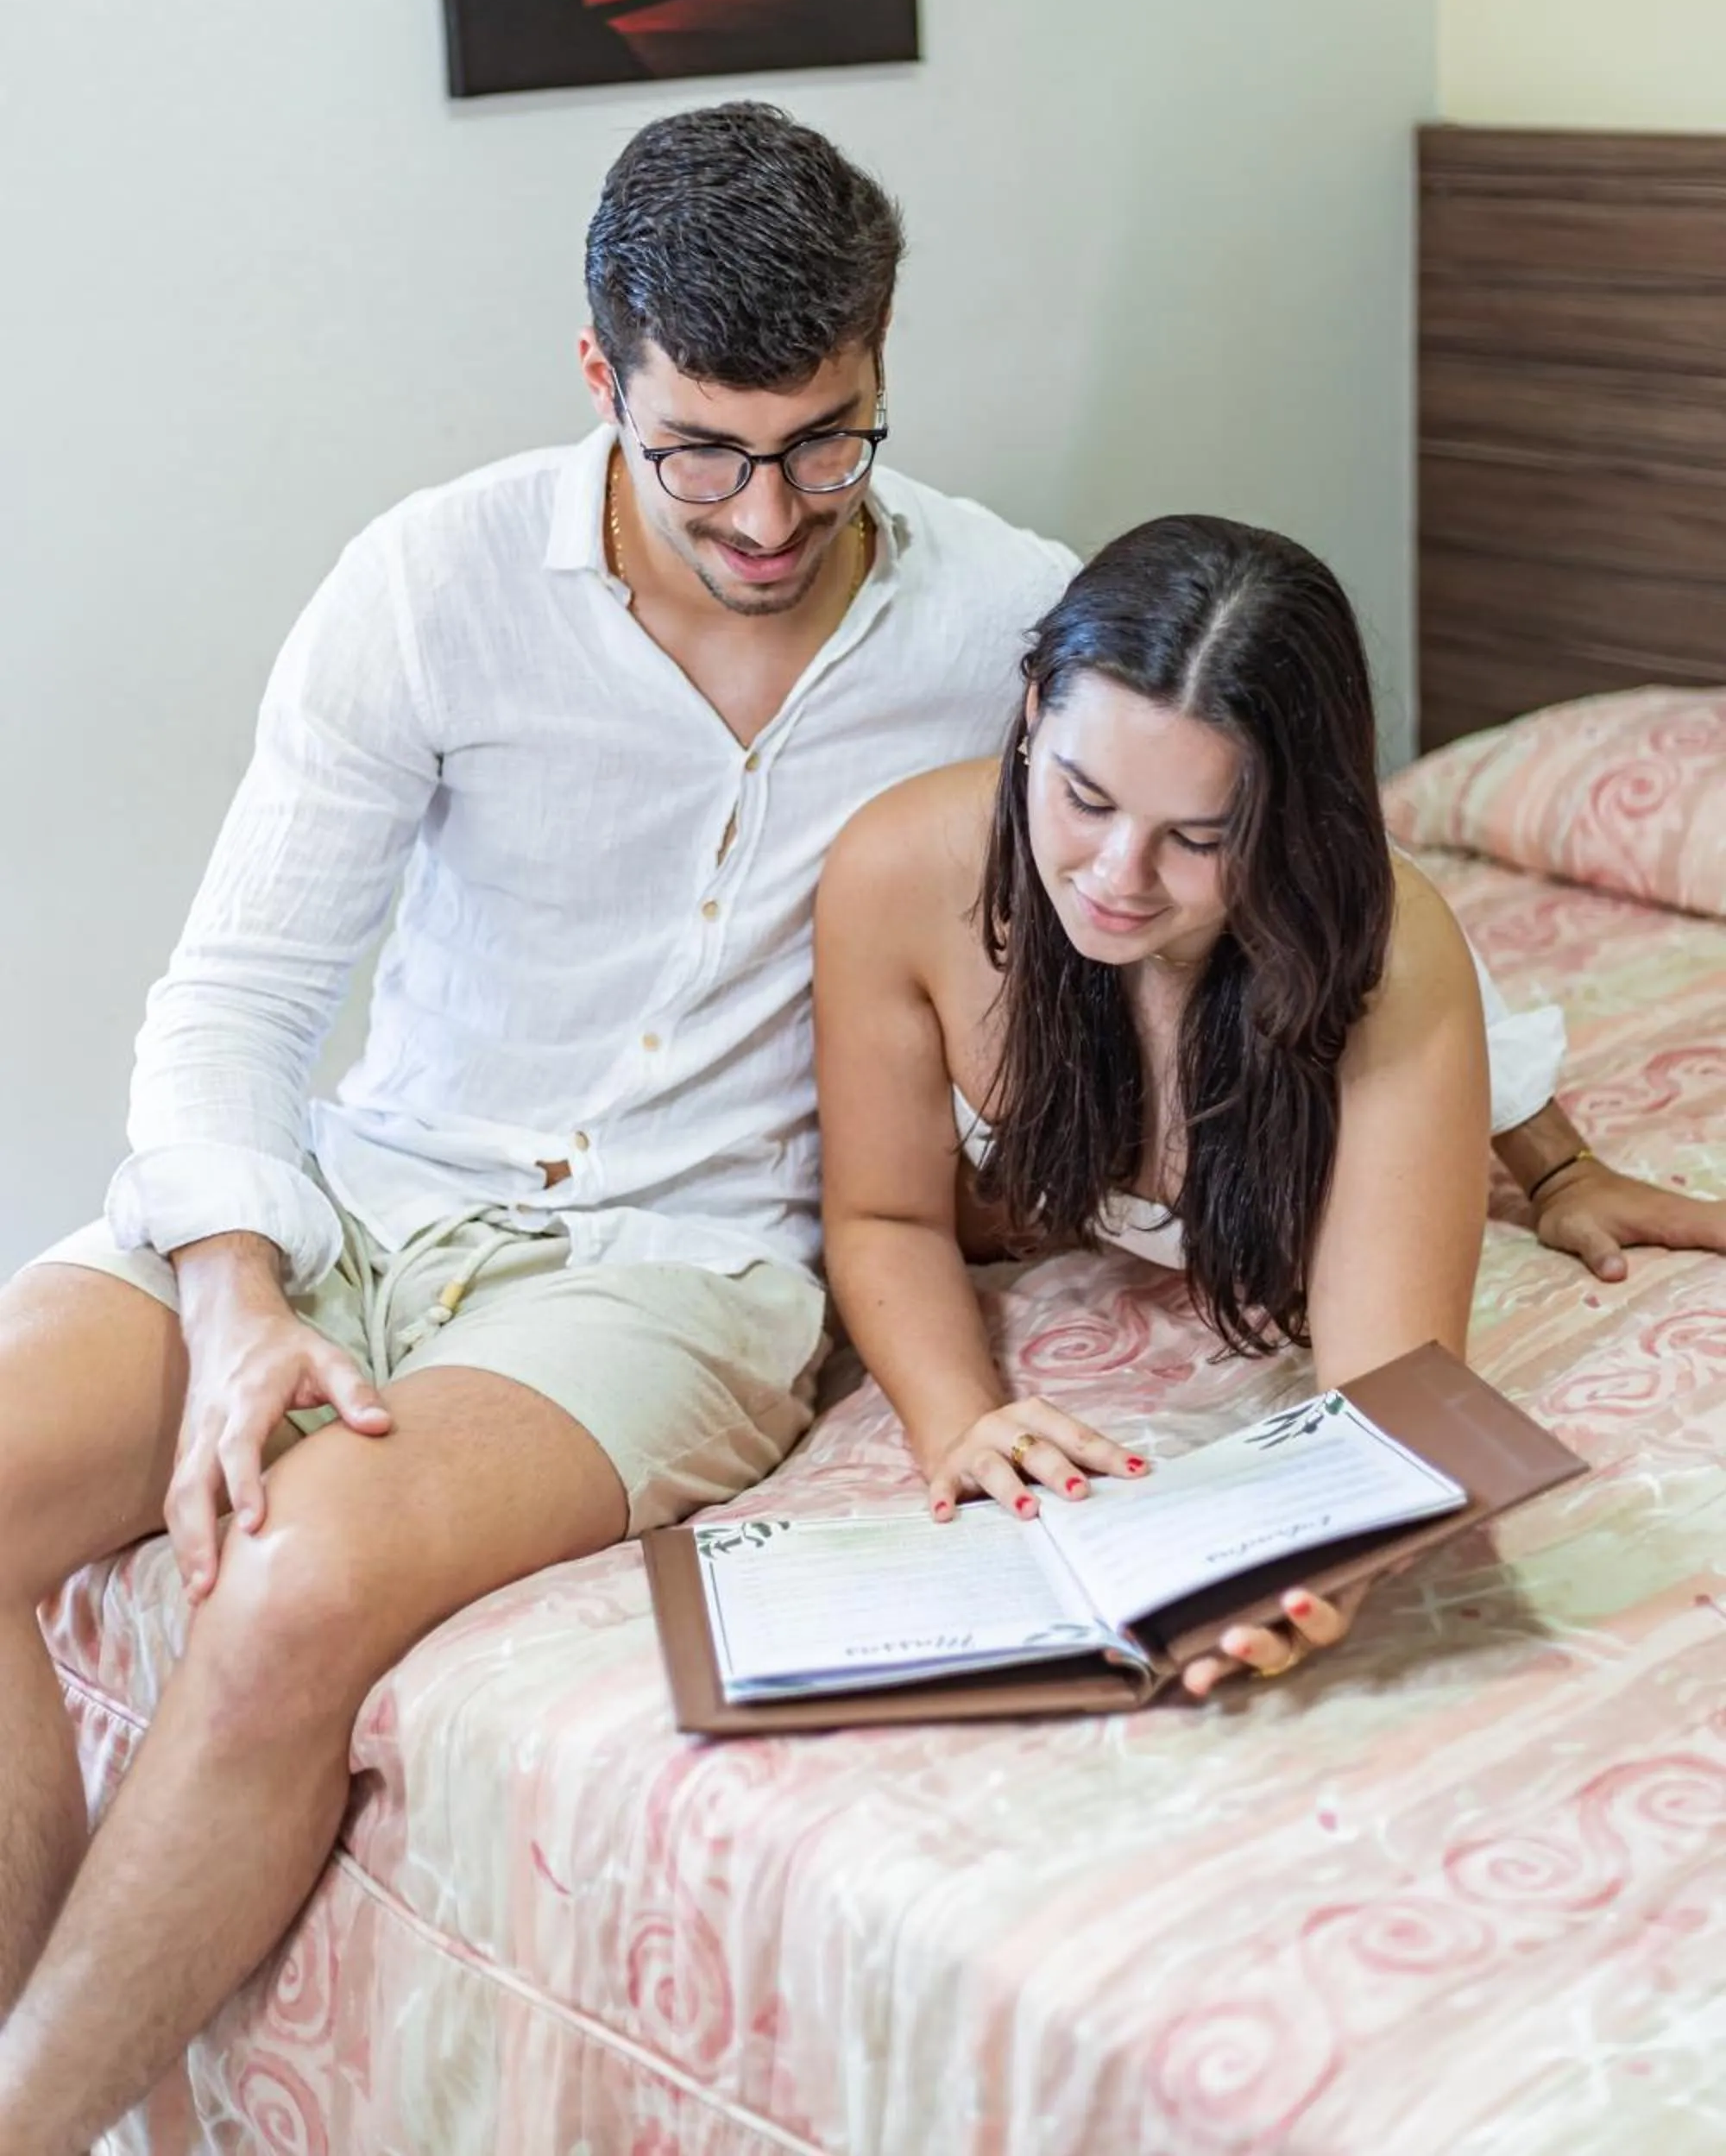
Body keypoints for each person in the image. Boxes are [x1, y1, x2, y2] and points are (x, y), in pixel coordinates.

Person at [0, 105, 1718, 2151]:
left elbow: (1299, 882)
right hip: (371, 1184)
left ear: (882, 370)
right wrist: (233, 1293)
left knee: (282, 1591)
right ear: (597, 378)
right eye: (701, 448)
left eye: (827, 440)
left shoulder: (1009, 620)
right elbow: (238, 1001)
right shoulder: (430, 583)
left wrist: (1543, 1148)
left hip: (673, 1268)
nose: (763, 510)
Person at [817, 512, 1504, 1696]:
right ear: (1034, 712)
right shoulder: (896, 870)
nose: (1117, 879)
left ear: (1290, 824)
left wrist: (1328, 1564)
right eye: (1085, 798)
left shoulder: (1388, 956)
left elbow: (1388, 1386)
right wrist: (964, 1422)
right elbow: (886, 1219)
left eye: (1199, 838)